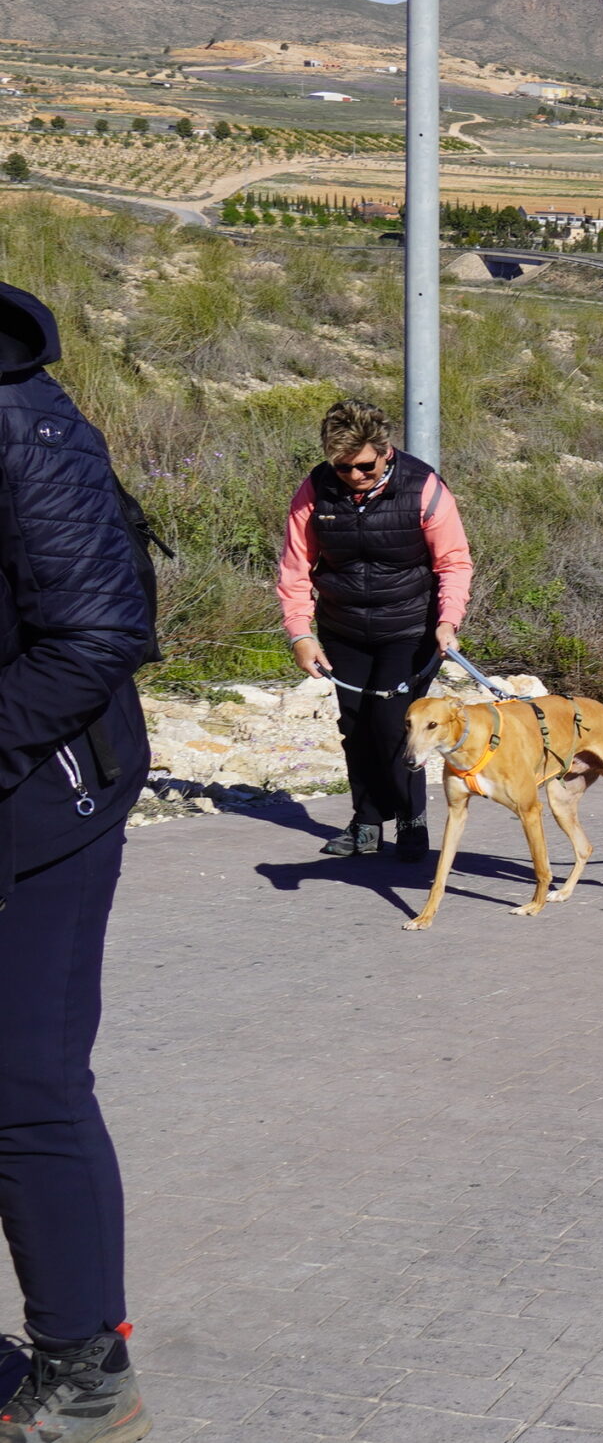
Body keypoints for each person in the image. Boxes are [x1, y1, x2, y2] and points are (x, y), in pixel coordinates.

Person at [0, 278, 156, 1441]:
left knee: (26, 1081)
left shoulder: (21, 421)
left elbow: (99, 632)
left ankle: (86, 1370)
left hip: (42, 798)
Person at [275, 398, 473, 861]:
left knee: (393, 725)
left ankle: (410, 819)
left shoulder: (423, 487)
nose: (354, 476)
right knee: (355, 725)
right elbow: (295, 569)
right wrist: (301, 633)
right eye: (342, 468)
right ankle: (366, 823)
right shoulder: (315, 490)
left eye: (364, 466)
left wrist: (447, 622)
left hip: (410, 627)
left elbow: (453, 562)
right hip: (343, 626)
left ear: (385, 452)